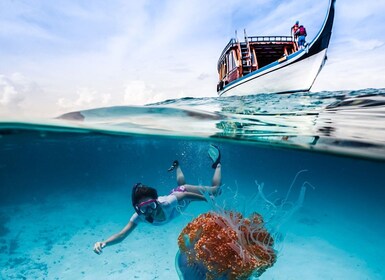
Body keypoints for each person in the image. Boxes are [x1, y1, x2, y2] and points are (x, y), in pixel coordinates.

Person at [93, 144, 222, 255]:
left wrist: (206, 200)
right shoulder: (139, 217)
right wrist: (104, 243)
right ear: (138, 209)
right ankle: (177, 166)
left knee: (215, 191)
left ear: (156, 202)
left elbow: (185, 195)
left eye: (151, 205)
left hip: (183, 193)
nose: (150, 211)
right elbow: (122, 235)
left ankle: (217, 163)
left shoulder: (166, 203)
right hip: (177, 195)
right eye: (144, 208)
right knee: (180, 186)